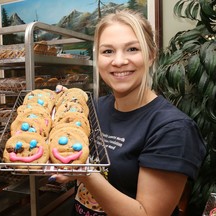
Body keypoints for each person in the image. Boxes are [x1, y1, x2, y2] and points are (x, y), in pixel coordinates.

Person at [50, 9, 206, 216]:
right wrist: (57, 117)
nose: (119, 61)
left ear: (151, 55)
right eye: (108, 51)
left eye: (132, 49)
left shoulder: (172, 128)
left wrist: (86, 173)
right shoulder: (94, 108)